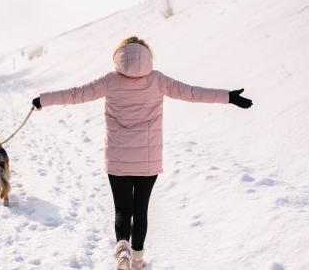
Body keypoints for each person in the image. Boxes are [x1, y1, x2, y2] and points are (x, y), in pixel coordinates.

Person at [31, 36, 252, 270]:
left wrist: (42, 100)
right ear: (147, 55)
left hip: (118, 160)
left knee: (122, 210)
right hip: (148, 161)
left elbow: (75, 94)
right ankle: (137, 260)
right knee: (141, 209)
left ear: (120, 56)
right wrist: (228, 96)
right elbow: (192, 92)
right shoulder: (158, 80)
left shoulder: (110, 81)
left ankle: (122, 250)